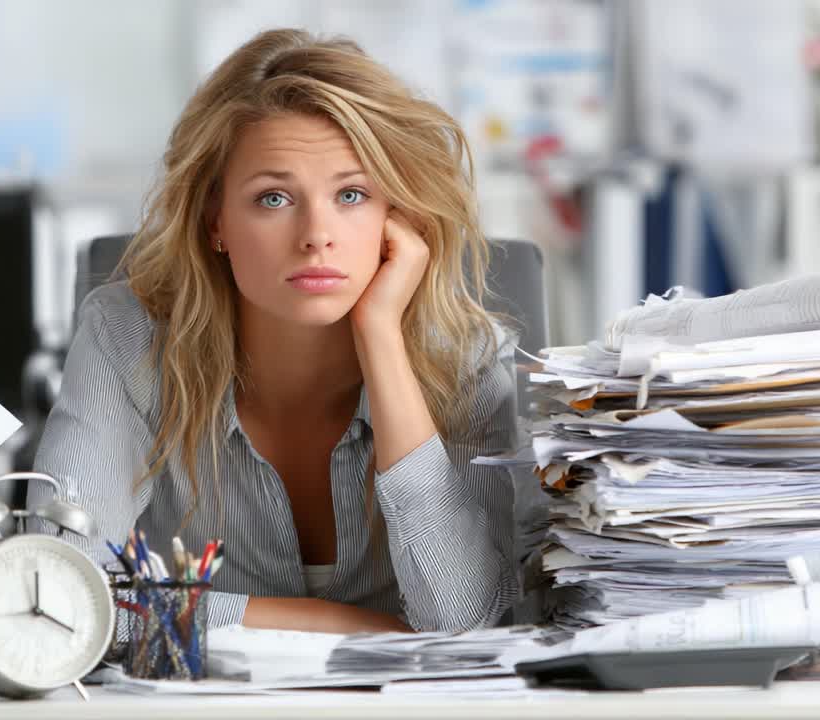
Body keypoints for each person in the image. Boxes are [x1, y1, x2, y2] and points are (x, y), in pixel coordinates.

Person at [32, 28, 520, 633]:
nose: (317, 235)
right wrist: (336, 624)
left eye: (351, 194)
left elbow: (466, 623)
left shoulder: (466, 360)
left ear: (398, 216)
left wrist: (381, 338)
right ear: (215, 219)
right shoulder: (127, 337)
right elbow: (56, 595)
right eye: (273, 199)